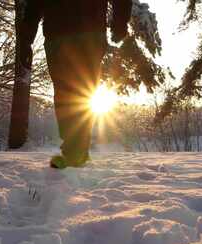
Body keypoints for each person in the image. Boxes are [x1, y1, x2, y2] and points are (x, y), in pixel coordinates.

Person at [19, 0, 132, 169]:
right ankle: (76, 149)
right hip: (62, 34)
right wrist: (25, 40)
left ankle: (75, 151)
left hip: (83, 33)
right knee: (68, 93)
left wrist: (120, 22)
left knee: (79, 91)